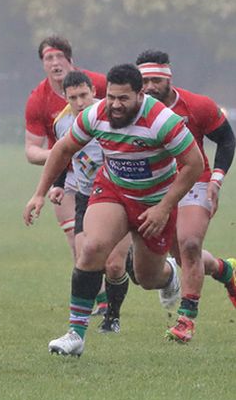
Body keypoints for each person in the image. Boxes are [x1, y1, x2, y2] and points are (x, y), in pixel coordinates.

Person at [24, 64, 204, 357]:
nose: (115, 105)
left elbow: (194, 163)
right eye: (111, 97)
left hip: (154, 200)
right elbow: (62, 149)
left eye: (123, 99)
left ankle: (169, 273)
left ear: (140, 93)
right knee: (92, 248)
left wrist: (164, 207)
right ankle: (76, 334)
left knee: (146, 277)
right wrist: (39, 193)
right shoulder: (96, 115)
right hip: (114, 190)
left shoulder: (162, 121)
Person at [136, 50, 236, 342]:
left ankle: (186, 320)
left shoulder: (197, 105)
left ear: (168, 79)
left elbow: (227, 140)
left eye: (156, 80)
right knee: (180, 256)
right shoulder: (131, 109)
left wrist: (216, 180)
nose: (151, 86)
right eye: (145, 81)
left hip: (196, 181)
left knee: (190, 243)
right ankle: (225, 269)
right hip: (155, 186)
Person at [47, 71, 131, 333]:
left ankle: (113, 316)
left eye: (84, 95)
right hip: (85, 196)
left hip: (118, 196)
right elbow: (64, 153)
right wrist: (58, 185)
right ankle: (83, 324)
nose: (80, 102)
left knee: (115, 265)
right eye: (73, 97)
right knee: (86, 256)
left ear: (94, 91)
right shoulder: (62, 123)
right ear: (65, 97)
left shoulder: (111, 118)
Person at [24, 35, 107, 261]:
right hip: (68, 176)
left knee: (112, 248)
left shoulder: (98, 83)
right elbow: (31, 151)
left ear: (70, 59)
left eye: (60, 56)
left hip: (108, 172)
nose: (55, 62)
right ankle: (96, 295)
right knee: (78, 241)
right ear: (42, 64)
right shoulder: (38, 99)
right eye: (48, 57)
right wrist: (64, 154)